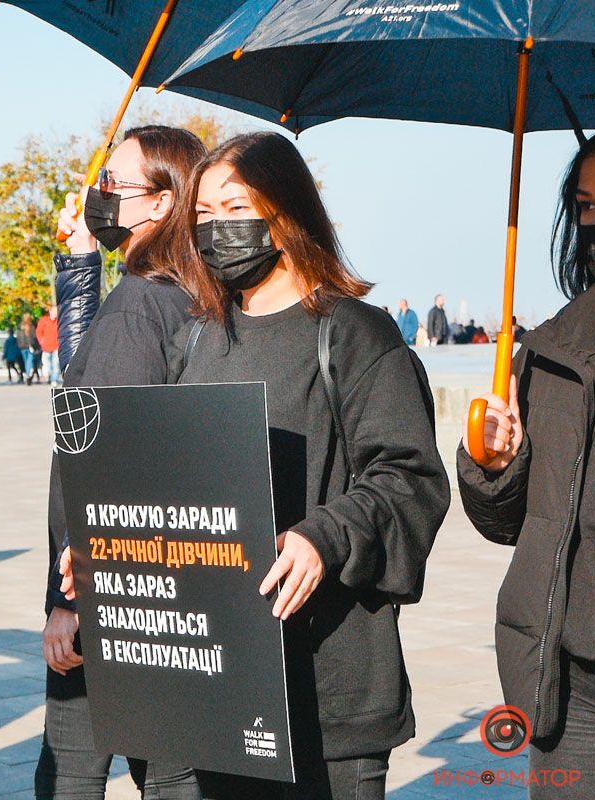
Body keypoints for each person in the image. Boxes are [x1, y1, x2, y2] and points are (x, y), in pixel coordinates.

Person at [166, 132, 448, 799]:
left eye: (233, 206)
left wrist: (324, 537)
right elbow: (169, 484)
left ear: (286, 211)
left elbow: (409, 478)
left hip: (329, 687)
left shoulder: (356, 333)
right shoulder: (196, 338)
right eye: (202, 214)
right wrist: (107, 552)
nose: (215, 228)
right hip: (223, 685)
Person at [41, 124, 209, 800]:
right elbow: (95, 380)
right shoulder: (187, 294)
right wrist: (82, 263)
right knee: (171, 770)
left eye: (113, 184)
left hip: (106, 588)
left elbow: (94, 445)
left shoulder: (140, 301)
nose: (98, 194)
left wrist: (66, 599)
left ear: (162, 204)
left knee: (75, 775)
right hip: (169, 583)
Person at [457, 131, 595, 800]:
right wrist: (494, 463)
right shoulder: (547, 352)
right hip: (565, 677)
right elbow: (509, 523)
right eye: (586, 206)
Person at [37, 306, 61, 386]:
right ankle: (48, 376)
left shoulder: (59, 321)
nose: (55, 313)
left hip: (56, 347)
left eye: (57, 311)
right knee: (46, 365)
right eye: (54, 311)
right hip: (46, 347)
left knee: (55, 364)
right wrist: (41, 341)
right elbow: (38, 332)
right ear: (50, 312)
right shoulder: (44, 320)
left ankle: (54, 380)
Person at [17, 312, 37, 384]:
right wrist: (32, 344)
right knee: (30, 361)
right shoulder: (31, 326)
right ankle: (29, 374)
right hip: (29, 346)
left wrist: (19, 344)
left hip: (22, 347)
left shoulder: (20, 326)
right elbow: (34, 337)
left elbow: (18, 337)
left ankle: (27, 374)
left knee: (26, 361)